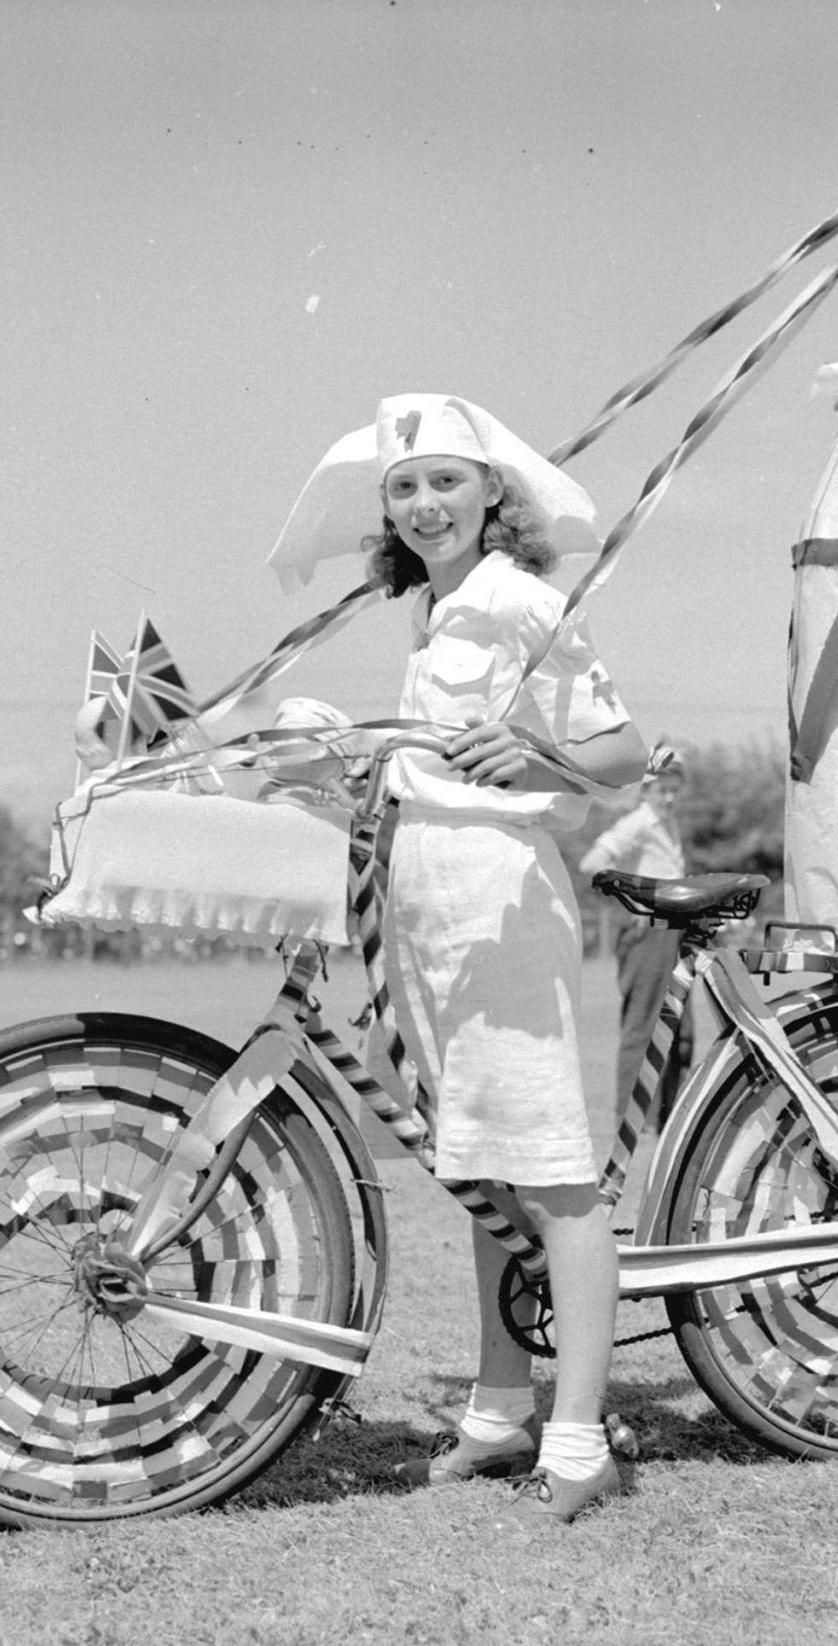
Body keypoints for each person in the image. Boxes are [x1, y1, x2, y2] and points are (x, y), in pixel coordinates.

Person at [270, 394, 647, 1523]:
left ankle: (577, 1437)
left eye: (446, 481)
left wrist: (532, 746)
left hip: (501, 894)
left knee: (550, 1169)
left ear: (495, 495)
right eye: (404, 487)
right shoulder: (438, 615)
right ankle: (497, 1406)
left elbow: (621, 753)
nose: (425, 503)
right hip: (428, 889)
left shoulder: (523, 599)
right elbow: (427, 760)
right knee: (479, 1159)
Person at [579, 738, 691, 1127]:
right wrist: (638, 901)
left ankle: (665, 1115)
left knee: (677, 1027)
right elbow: (593, 863)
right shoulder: (639, 821)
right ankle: (627, 1115)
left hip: (671, 930)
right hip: (649, 930)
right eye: (663, 789)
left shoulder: (667, 823)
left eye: (675, 789)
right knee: (642, 1024)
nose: (670, 797)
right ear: (646, 788)